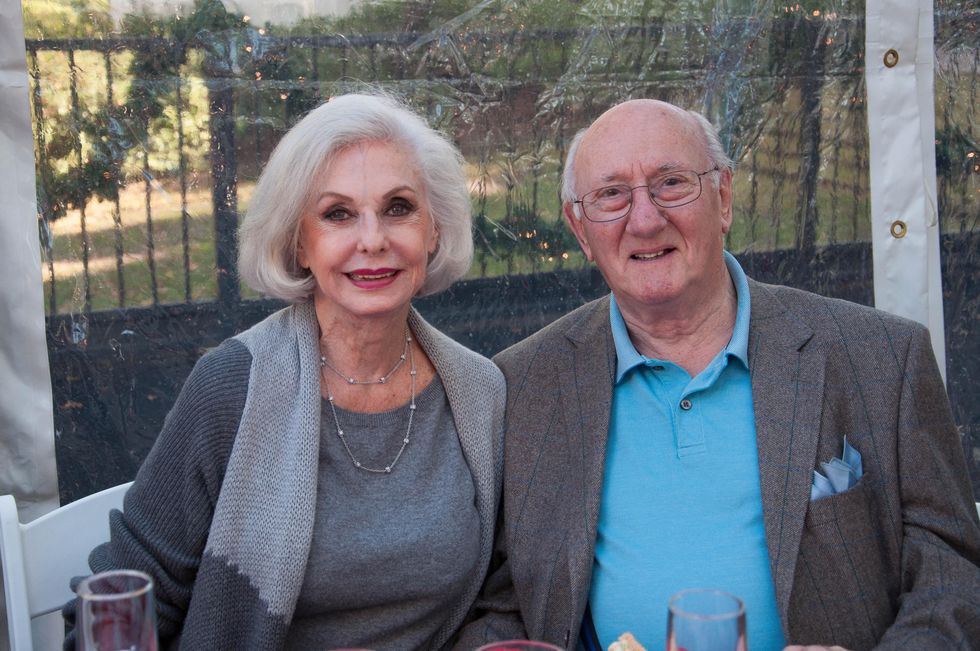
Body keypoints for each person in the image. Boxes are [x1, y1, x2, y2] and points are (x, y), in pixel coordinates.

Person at [454, 99, 980, 651]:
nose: (646, 218)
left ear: (724, 197)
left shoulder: (881, 360)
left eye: (672, 183)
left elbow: (954, 577)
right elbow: (505, 601)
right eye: (611, 195)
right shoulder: (525, 385)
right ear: (580, 230)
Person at [64, 93, 505, 650]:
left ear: (435, 230)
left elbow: (501, 593)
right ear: (299, 242)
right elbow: (116, 605)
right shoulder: (233, 386)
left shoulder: (479, 392)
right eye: (337, 214)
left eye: (398, 208)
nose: (373, 239)